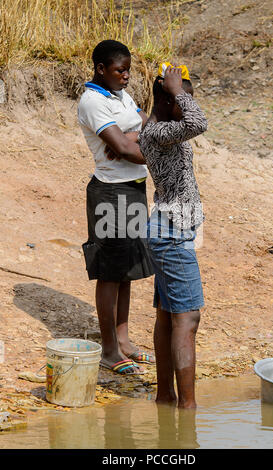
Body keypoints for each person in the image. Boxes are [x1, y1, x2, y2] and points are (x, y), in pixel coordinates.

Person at [77, 40, 155, 375]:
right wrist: (130, 143)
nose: (126, 76)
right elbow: (125, 147)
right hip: (110, 193)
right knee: (110, 271)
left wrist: (132, 140)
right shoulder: (92, 101)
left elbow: (149, 126)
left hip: (134, 188)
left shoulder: (120, 96)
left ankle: (123, 341)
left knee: (128, 270)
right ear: (100, 69)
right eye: (120, 70)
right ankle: (109, 350)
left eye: (128, 70)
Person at [139, 63, 208, 408]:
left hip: (167, 229)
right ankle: (188, 408)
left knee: (168, 315)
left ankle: (166, 396)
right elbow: (199, 123)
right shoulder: (159, 132)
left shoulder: (157, 129)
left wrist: (177, 92)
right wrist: (176, 89)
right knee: (187, 318)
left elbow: (191, 122)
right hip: (172, 234)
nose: (187, 109)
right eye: (182, 102)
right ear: (167, 104)